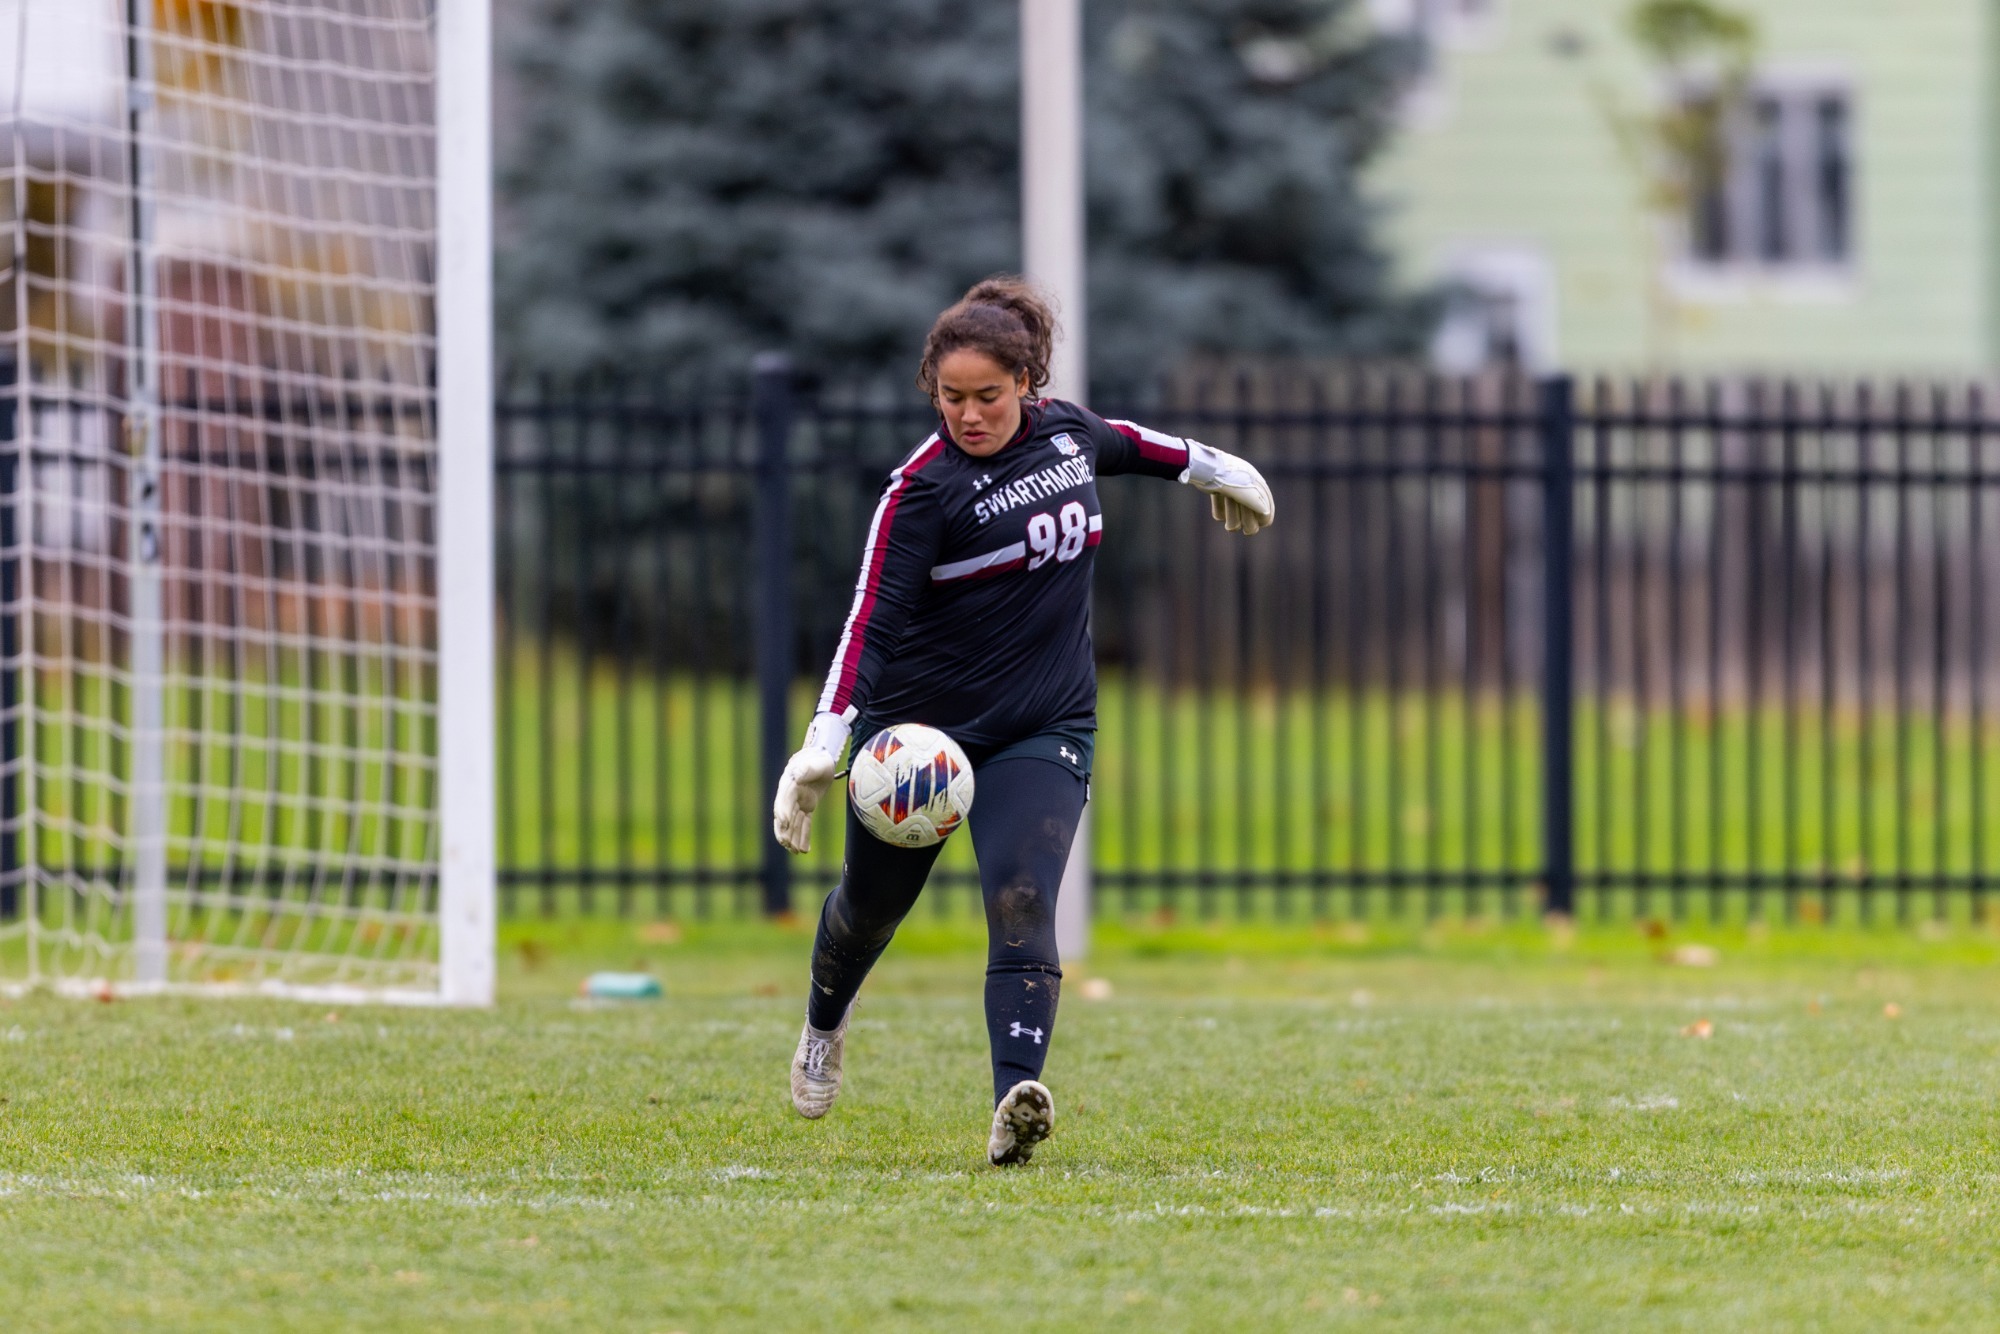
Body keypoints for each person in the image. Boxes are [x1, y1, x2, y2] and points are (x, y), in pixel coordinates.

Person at [771, 276, 1274, 1165]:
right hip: (919, 741)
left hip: (1043, 724)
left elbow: (1143, 447)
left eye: (988, 397)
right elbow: (869, 622)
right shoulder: (919, 494)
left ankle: (1015, 1104)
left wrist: (1221, 469)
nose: (968, 415)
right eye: (950, 398)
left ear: (1028, 385)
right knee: (870, 910)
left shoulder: (1068, 435)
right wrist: (826, 736)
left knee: (1024, 897)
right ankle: (823, 1022)